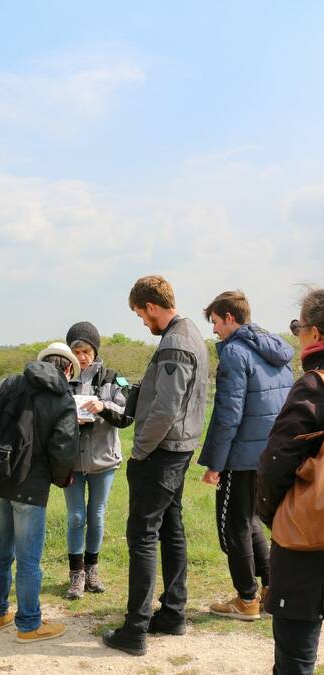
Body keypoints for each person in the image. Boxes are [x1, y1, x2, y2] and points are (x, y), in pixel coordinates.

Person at [103, 275, 208, 656]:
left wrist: (140, 451)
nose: (142, 323)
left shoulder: (176, 341)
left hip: (161, 452)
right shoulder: (190, 333)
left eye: (140, 315)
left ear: (151, 306)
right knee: (171, 529)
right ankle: (173, 613)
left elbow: (165, 408)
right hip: (178, 449)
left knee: (143, 535)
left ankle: (135, 630)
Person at [198, 291, 293, 620]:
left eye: (214, 322)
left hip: (241, 457)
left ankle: (246, 599)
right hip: (272, 455)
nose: (213, 330)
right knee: (252, 521)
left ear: (229, 318)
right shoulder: (275, 350)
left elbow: (228, 415)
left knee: (234, 527)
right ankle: (269, 589)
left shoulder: (236, 353)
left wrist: (215, 465)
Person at [0, 342, 79, 643]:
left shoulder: (9, 383)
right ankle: (29, 624)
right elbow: (63, 449)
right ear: (69, 368)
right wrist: (62, 479)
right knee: (28, 560)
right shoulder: (62, 398)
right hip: (30, 488)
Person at [258, 288, 324, 675]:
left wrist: (273, 514)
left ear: (314, 334)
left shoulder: (313, 385)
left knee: (295, 656)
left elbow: (277, 462)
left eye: (297, 327)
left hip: (307, 543)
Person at [64, 321, 133, 599]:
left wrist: (104, 406)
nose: (81, 357)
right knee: (76, 517)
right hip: (71, 461)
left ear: (95, 350)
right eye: (76, 351)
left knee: (97, 515)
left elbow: (128, 412)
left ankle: (93, 569)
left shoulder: (115, 377)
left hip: (104, 460)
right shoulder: (61, 379)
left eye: (86, 351)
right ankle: (76, 575)